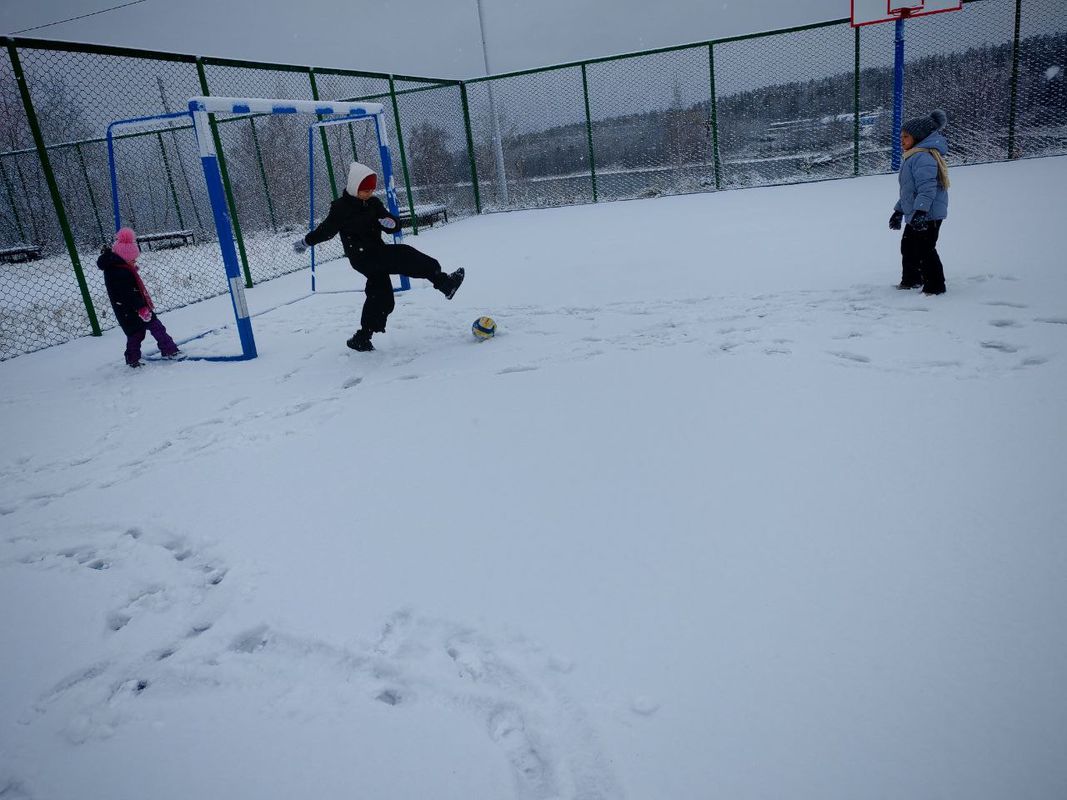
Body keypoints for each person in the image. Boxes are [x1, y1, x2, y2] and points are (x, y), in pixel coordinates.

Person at [293, 161, 464, 351]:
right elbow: (326, 230)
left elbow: (391, 222)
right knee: (405, 254)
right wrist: (306, 242)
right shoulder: (341, 208)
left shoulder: (373, 203)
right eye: (365, 190)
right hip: (361, 257)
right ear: (354, 186)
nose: (369, 193)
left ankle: (362, 338)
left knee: (381, 296)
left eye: (372, 190)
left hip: (376, 251)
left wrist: (392, 223)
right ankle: (444, 283)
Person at [97, 228, 180, 367]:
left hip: (135, 308)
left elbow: (129, 288)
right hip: (130, 311)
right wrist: (141, 308)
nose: (135, 261)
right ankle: (133, 359)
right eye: (132, 259)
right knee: (137, 334)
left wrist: (131, 272)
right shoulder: (118, 273)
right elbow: (127, 293)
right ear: (124, 258)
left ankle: (169, 350)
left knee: (155, 328)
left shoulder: (120, 269)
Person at [889, 109, 950, 295]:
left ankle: (935, 286)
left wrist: (921, 212)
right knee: (908, 247)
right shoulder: (913, 156)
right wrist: (899, 211)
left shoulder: (923, 158)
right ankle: (912, 280)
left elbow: (927, 189)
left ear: (918, 137)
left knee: (925, 249)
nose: (902, 140)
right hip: (916, 213)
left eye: (906, 137)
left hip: (928, 214)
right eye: (901, 136)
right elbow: (909, 191)